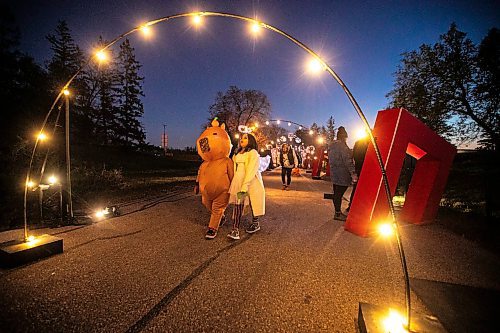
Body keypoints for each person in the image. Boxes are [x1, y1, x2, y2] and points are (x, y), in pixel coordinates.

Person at [227, 133, 266, 240]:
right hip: (238, 181)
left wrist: (245, 185)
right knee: (238, 204)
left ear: (251, 141)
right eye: (241, 138)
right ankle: (235, 230)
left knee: (254, 202)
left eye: (245, 138)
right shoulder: (237, 153)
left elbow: (251, 170)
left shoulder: (253, 153)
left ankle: (255, 223)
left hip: (251, 181)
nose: (242, 139)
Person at [327, 126, 357, 221]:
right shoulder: (343, 146)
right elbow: (347, 160)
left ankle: (337, 212)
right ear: (344, 136)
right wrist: (353, 173)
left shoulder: (331, 146)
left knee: (336, 193)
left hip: (335, 173)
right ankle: (338, 214)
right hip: (343, 173)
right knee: (339, 194)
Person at [347, 136, 369, 212]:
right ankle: (356, 206)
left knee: (356, 188)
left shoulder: (359, 143)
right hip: (364, 168)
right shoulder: (368, 143)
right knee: (360, 188)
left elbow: (354, 156)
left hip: (359, 167)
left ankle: (351, 206)